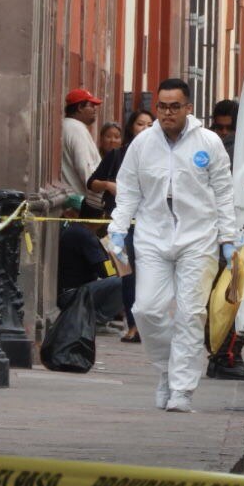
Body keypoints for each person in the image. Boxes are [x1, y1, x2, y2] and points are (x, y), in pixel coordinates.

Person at [109, 78, 236, 413]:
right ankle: (166, 369)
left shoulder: (208, 142)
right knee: (146, 309)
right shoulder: (142, 144)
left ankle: (182, 388)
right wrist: (118, 230)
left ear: (188, 108)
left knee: (190, 314)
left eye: (174, 107)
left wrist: (228, 238)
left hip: (198, 237)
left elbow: (224, 193)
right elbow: (128, 190)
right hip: (152, 235)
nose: (167, 113)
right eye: (162, 107)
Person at [89, 109, 154, 343]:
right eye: (140, 124)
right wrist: (109, 185)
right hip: (121, 226)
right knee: (127, 276)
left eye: (149, 124)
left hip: (151, 225)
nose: (144, 128)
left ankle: (147, 325)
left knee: (150, 276)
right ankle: (133, 325)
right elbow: (92, 183)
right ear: (131, 127)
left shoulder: (162, 156)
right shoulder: (117, 155)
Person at [205, 99, 244, 381]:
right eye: (219, 127)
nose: (224, 133)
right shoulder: (223, 150)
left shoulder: (243, 149)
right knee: (233, 298)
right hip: (228, 238)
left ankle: (221, 355)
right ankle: (226, 357)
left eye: (229, 128)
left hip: (234, 236)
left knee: (228, 297)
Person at [57, 207, 124, 325]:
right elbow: (105, 272)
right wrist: (114, 259)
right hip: (72, 296)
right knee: (123, 282)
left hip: (70, 293)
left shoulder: (77, 230)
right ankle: (97, 320)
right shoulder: (85, 235)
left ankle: (98, 318)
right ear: (101, 218)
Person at [62, 88, 104, 209]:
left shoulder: (69, 126)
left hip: (75, 201)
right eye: (91, 106)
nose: (95, 109)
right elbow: (85, 168)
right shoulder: (76, 129)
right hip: (80, 204)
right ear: (80, 107)